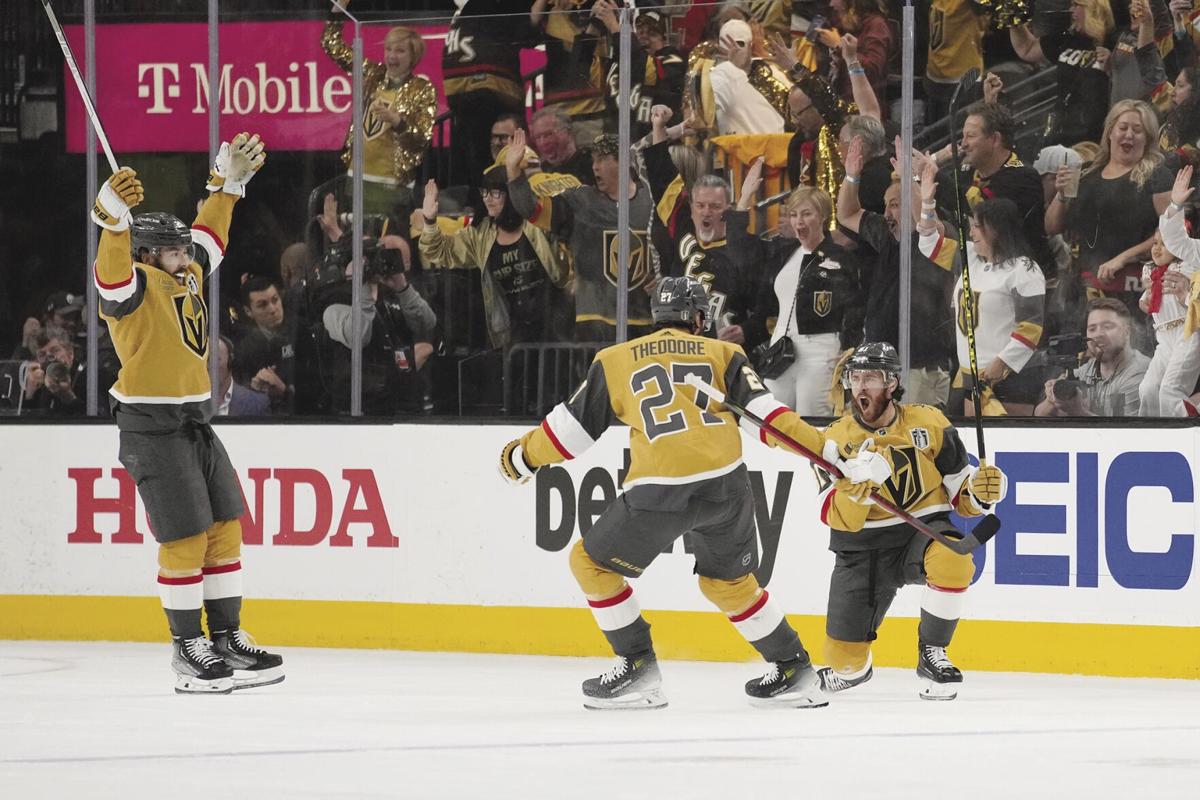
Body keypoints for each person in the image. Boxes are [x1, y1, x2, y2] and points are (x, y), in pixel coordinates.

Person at [498, 276, 842, 710]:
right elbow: (769, 420)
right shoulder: (724, 353)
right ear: (698, 317)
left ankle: (637, 667)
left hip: (661, 489)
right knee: (728, 583)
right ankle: (794, 668)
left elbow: (572, 433)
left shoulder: (616, 359)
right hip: (727, 486)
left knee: (589, 562)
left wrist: (522, 457)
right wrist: (830, 453)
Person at [89, 134, 283, 694]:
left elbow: (207, 238)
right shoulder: (134, 284)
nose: (185, 258)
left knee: (223, 526)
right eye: (172, 252)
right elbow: (111, 274)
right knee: (184, 534)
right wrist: (113, 218)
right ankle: (185, 647)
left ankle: (226, 636)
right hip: (151, 426)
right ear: (148, 254)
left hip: (195, 421)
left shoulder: (185, 271)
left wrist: (225, 184)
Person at [813, 341, 1009, 701]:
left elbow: (958, 494)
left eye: (869, 378)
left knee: (954, 558)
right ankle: (854, 670)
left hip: (923, 531)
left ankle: (933, 652)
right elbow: (837, 518)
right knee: (844, 662)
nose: (859, 387)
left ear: (891, 384)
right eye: (854, 378)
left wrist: (980, 493)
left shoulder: (929, 422)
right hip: (861, 549)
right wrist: (857, 485)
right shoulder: (833, 439)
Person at [917, 164, 1047, 416]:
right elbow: (928, 243)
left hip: (1006, 380)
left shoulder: (1024, 269)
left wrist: (1001, 364)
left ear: (996, 229)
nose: (971, 232)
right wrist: (926, 203)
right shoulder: (970, 259)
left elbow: (1031, 327)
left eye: (977, 226)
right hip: (965, 377)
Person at [838, 137, 957, 408]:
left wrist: (908, 182)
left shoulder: (939, 237)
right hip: (885, 364)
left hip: (920, 365)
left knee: (914, 440)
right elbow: (846, 215)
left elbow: (925, 223)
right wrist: (851, 177)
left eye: (895, 204)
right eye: (886, 204)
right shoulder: (886, 234)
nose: (887, 212)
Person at [507, 129, 655, 342]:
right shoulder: (579, 202)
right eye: (594, 160)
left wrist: (663, 275)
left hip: (645, 322)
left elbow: (673, 252)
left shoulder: (651, 203)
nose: (595, 166)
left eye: (602, 159)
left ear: (625, 162)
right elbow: (531, 209)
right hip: (594, 324)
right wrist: (514, 174)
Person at [738, 174, 865, 415]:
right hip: (780, 352)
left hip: (821, 352)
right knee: (773, 421)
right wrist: (745, 198)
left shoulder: (840, 258)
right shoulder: (783, 253)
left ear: (823, 216)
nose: (799, 221)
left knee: (812, 423)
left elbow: (856, 310)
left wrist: (848, 353)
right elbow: (742, 249)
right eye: (794, 215)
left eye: (807, 214)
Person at [1045, 99, 1173, 335]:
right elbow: (1052, 227)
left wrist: (1122, 258)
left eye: (1138, 130)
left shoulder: (1157, 175)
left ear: (1148, 138)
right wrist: (1061, 195)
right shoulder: (1085, 173)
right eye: (1123, 127)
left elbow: (1170, 233)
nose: (1129, 135)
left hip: (1134, 287)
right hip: (1085, 286)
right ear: (1110, 132)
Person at [419, 166, 571, 349]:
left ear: (511, 194)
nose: (487, 199)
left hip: (558, 325)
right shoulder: (480, 234)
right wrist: (429, 220)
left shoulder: (537, 223)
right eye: (484, 192)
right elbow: (439, 251)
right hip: (514, 335)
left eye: (495, 193)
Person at [643, 105, 756, 345]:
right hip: (678, 341)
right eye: (700, 205)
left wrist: (747, 330)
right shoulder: (684, 222)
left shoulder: (743, 245)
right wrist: (658, 127)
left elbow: (762, 305)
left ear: (729, 208)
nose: (706, 212)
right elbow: (662, 175)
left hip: (722, 347)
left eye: (715, 207)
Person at [321, 4, 437, 217]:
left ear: (413, 57)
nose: (392, 55)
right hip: (357, 176)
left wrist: (398, 121)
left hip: (392, 185)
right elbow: (332, 46)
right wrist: (337, 12)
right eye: (388, 49)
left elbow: (421, 139)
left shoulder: (422, 88)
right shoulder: (373, 74)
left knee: (383, 243)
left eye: (400, 51)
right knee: (353, 240)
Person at [1009, 0, 1116, 146]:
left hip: (1095, 135)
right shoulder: (1067, 39)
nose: (1071, 10)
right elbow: (1026, 49)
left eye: (1075, 5)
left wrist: (1113, 66)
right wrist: (1013, 19)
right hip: (1060, 129)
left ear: (1092, 8)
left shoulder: (1113, 41)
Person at [1138, 164, 1200, 415]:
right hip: (1165, 336)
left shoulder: (1191, 263)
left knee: (1169, 392)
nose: (1158, 247)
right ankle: (1147, 443)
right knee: (1148, 390)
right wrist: (1174, 204)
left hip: (1189, 333)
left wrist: (1187, 297)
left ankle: (1186, 440)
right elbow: (1174, 240)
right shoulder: (1194, 253)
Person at [1035, 298, 1152, 416]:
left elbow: (1128, 432)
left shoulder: (1142, 372)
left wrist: (1078, 411)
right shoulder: (1087, 369)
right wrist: (1052, 397)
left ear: (1126, 332)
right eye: (1092, 329)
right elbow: (1039, 415)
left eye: (1107, 326)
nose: (1098, 334)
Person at [235, 276, 296, 414]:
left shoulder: (300, 331)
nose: (273, 309)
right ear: (248, 311)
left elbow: (316, 391)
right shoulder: (243, 350)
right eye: (263, 305)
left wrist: (284, 391)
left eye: (275, 300)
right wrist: (253, 390)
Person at [214, 335, 270, 417]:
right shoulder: (190, 403)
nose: (207, 366)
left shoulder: (257, 404)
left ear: (230, 362)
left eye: (214, 359)